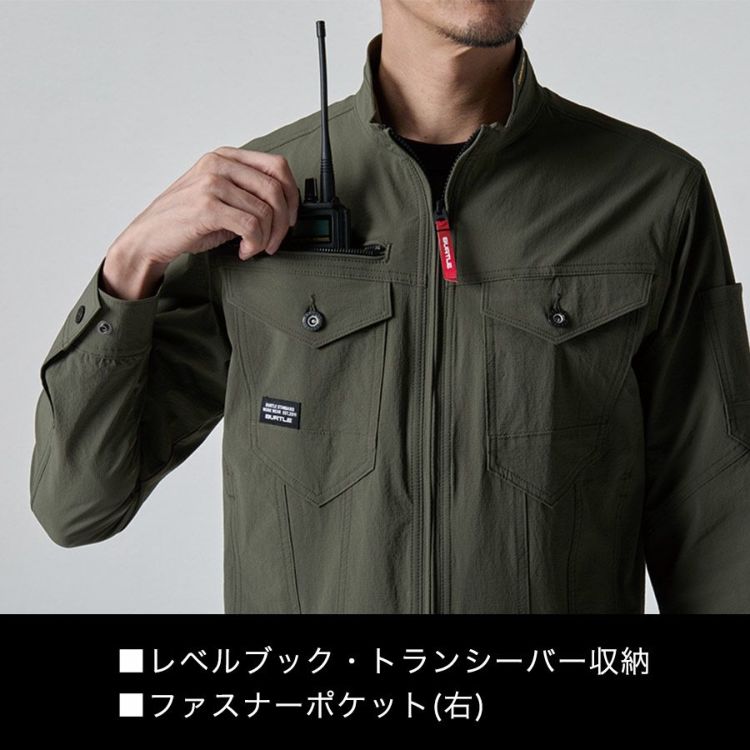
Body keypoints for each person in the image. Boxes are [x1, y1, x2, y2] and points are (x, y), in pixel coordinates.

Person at [30, 0, 750, 614]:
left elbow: (719, 526)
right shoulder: (254, 208)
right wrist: (131, 264)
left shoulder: (654, 197)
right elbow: (77, 505)